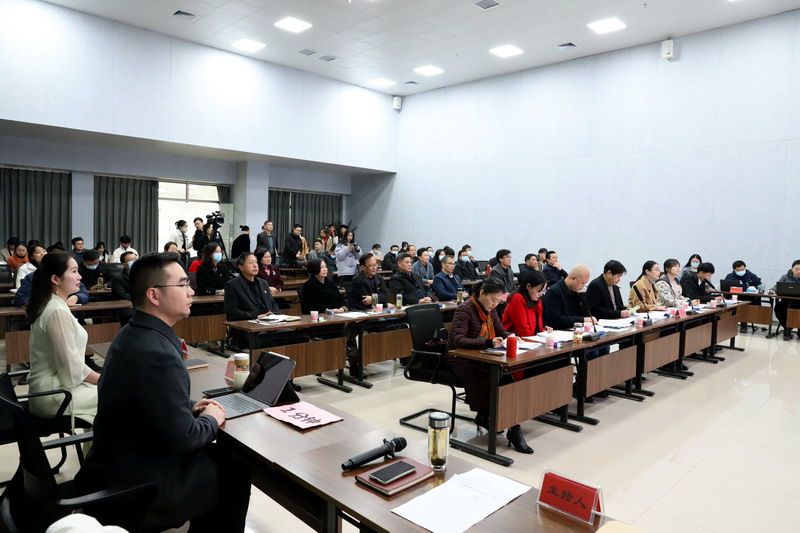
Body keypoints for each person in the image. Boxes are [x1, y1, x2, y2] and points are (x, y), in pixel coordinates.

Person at [75, 252, 250, 531]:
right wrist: (211, 419)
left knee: (222, 459)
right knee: (235, 470)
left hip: (114, 465)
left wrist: (189, 407)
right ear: (154, 295)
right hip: (140, 483)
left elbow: (147, 401)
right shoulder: (158, 352)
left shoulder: (132, 332)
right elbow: (184, 438)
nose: (191, 291)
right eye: (182, 284)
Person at [446, 278, 532, 454]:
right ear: (482, 293)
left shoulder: (490, 310)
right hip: (461, 358)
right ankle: (510, 428)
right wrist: (488, 342)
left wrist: (512, 337)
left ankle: (493, 419)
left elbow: (500, 330)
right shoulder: (465, 309)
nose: (495, 304)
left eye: (498, 301)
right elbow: (459, 340)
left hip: (482, 356)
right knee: (493, 379)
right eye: (493, 300)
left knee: (507, 379)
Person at [26, 253, 98, 426]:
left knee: (118, 391)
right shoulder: (57, 311)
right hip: (55, 395)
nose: (79, 276)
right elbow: (71, 368)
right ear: (55, 279)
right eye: (74, 271)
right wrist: (104, 379)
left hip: (55, 389)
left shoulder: (54, 305)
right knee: (124, 394)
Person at [225, 252, 280, 344]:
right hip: (249, 326)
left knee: (292, 335)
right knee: (267, 339)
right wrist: (256, 316)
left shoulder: (263, 283)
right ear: (241, 267)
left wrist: (275, 315)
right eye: (251, 263)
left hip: (269, 323)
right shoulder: (232, 285)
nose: (255, 265)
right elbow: (231, 311)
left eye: (256, 262)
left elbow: (273, 303)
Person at [542, 265, 597, 330]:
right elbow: (555, 320)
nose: (583, 286)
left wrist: (589, 319)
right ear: (573, 278)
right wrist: (583, 320)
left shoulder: (576, 292)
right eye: (582, 283)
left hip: (575, 330)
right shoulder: (554, 292)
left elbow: (583, 314)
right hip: (559, 331)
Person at [502, 269, 551, 337]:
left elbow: (535, 327)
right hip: (516, 339)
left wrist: (543, 330)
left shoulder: (537, 301)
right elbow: (522, 329)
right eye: (538, 291)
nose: (541, 294)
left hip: (530, 338)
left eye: (543, 291)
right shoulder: (517, 298)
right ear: (528, 286)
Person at [772, 260, 800, 340]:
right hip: (786, 301)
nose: (799, 271)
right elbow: (776, 286)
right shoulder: (785, 277)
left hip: (799, 302)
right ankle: (787, 328)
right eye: (797, 269)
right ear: (792, 268)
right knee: (778, 309)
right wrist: (772, 290)